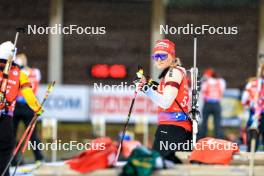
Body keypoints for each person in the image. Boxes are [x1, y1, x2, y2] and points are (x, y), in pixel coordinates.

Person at [135, 39, 192, 162]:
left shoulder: (173, 72)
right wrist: (148, 83)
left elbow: (166, 101)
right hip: (175, 129)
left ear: (172, 56)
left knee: (160, 166)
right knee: (170, 167)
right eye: (155, 56)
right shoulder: (173, 72)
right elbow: (165, 92)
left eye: (163, 55)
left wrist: (145, 89)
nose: (159, 59)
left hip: (173, 129)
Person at [0, 41, 43, 176]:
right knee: (5, 147)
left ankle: (38, 158)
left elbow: (28, 93)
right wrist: (37, 108)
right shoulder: (19, 73)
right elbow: (29, 94)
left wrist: (36, 108)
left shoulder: (22, 73)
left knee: (7, 145)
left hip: (9, 113)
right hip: (6, 116)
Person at [12, 53, 44, 165]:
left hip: (28, 106)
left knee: (32, 134)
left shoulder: (34, 72)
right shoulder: (19, 72)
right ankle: (14, 159)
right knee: (11, 134)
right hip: (16, 106)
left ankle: (39, 157)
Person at [241, 64, 264, 151]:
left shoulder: (252, 83)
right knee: (253, 133)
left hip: (254, 112)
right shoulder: (253, 84)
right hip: (255, 112)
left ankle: (251, 152)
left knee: (253, 133)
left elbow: (244, 100)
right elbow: (244, 100)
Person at [199, 68, 226, 139]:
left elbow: (202, 91)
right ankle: (219, 140)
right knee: (217, 123)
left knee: (204, 123)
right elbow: (222, 91)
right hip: (216, 103)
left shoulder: (206, 82)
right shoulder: (221, 81)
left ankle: (201, 139)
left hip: (207, 103)